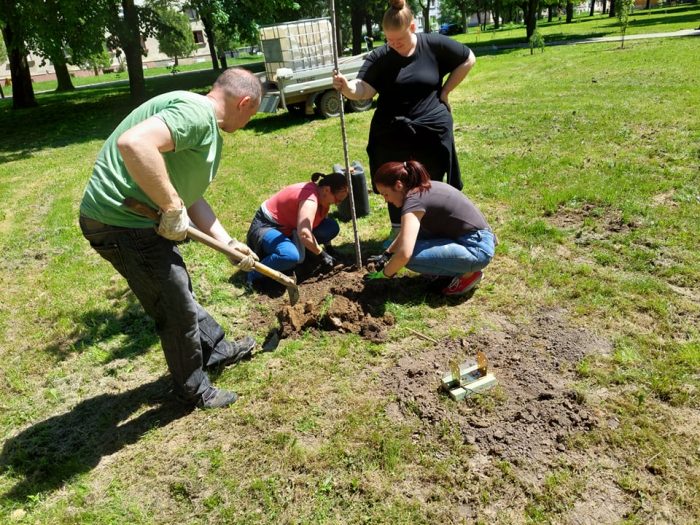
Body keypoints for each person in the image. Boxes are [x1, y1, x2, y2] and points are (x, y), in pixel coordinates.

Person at [79, 68, 263, 410]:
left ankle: (215, 349)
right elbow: (134, 143)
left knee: (175, 289)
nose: (248, 121)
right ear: (244, 102)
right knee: (174, 302)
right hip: (120, 221)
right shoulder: (197, 114)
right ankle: (193, 390)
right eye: (252, 114)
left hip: (134, 220)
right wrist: (171, 205)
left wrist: (227, 242)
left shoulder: (201, 121)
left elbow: (189, 195)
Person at [332, 0, 476, 240]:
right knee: (394, 182)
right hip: (392, 134)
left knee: (429, 180)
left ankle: (430, 228)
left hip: (430, 132)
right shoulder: (381, 56)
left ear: (412, 27)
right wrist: (347, 88)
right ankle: (398, 230)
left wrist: (445, 91)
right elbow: (364, 88)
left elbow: (468, 58)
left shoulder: (432, 45)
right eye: (389, 39)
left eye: (399, 39)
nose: (393, 44)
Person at [364, 160, 495, 296]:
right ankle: (451, 267)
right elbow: (406, 234)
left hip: (476, 249)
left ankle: (468, 274)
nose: (386, 200)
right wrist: (387, 254)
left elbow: (404, 255)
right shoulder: (422, 189)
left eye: (385, 194)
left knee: (409, 258)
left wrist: (384, 275)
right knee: (412, 240)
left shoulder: (413, 202)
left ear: (398, 186)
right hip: (478, 238)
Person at [246, 172, 348, 290]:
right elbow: (304, 233)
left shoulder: (323, 196)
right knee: (290, 256)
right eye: (337, 199)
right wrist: (321, 254)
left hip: (291, 227)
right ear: (327, 190)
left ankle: (301, 251)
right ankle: (255, 273)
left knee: (330, 227)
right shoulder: (310, 199)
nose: (338, 203)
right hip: (267, 226)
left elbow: (320, 219)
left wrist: (329, 248)